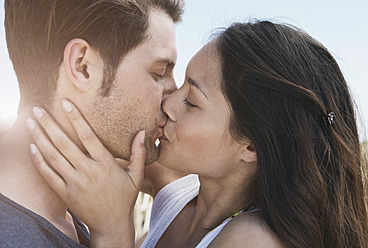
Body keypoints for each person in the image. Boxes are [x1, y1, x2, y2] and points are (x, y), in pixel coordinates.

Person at [28, 20, 368, 247]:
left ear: (250, 145)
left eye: (191, 101)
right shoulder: (179, 195)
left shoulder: (251, 240)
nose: (168, 105)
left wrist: (114, 231)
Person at [0, 0, 184, 247]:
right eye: (158, 73)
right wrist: (116, 234)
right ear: (83, 66)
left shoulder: (71, 212)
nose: (173, 100)